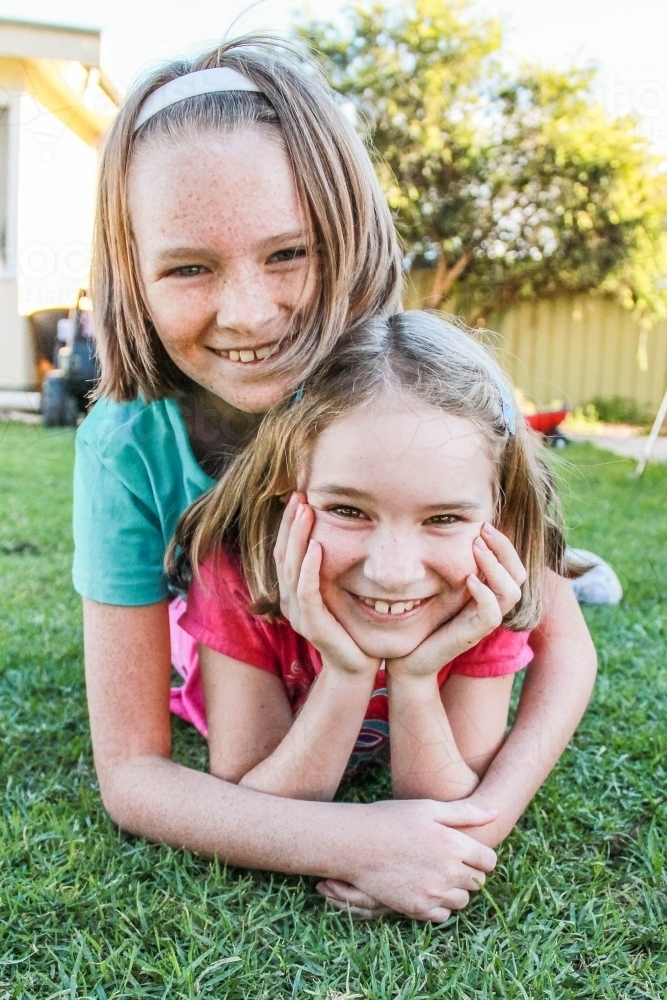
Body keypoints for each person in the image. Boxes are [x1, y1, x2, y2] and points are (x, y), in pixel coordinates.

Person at [74, 36, 595, 922]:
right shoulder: (123, 445)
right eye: (189, 267)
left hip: (410, 628)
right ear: (133, 277)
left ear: (347, 232)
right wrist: (362, 844)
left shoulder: (430, 394)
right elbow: (133, 774)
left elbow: (564, 655)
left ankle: (569, 561)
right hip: (242, 634)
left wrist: (473, 827)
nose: (248, 315)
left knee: (479, 575)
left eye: (288, 254)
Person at [167, 312, 597, 917]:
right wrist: (346, 671)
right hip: (203, 639)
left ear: (497, 514)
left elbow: (452, 811)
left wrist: (417, 678)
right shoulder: (236, 573)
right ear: (288, 487)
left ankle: (576, 569)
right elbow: (253, 801)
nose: (393, 571)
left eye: (443, 518)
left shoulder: (483, 591)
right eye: (348, 509)